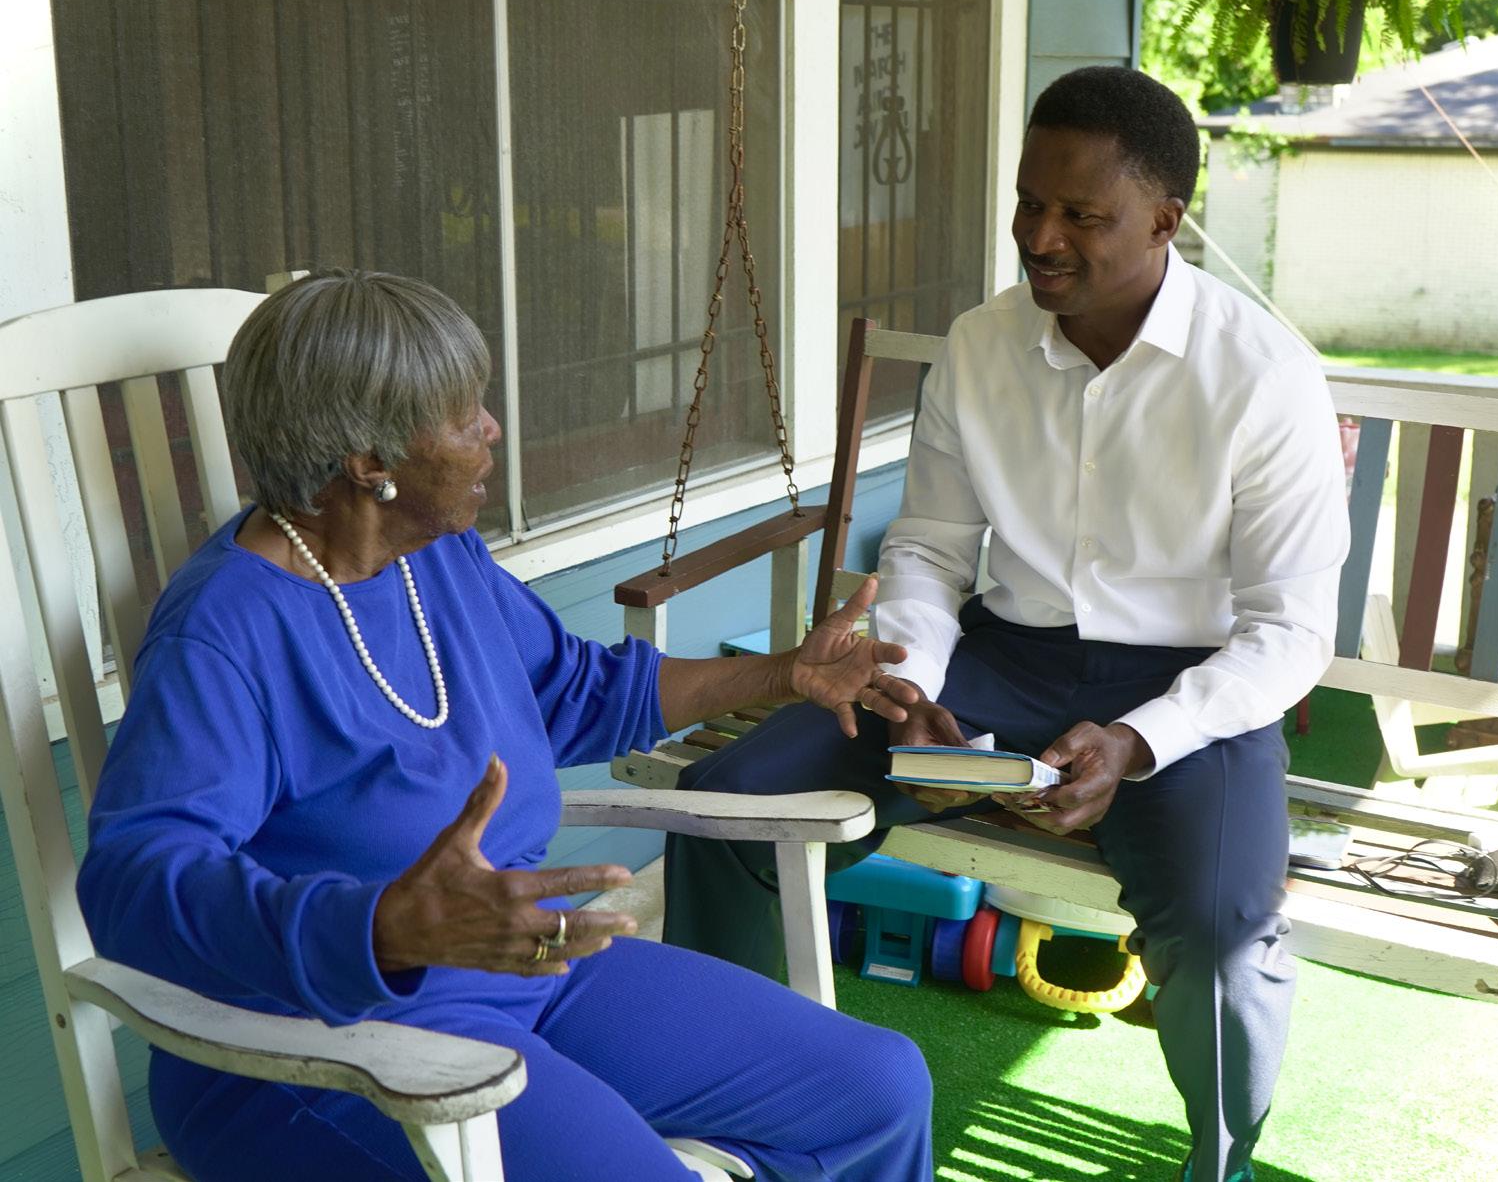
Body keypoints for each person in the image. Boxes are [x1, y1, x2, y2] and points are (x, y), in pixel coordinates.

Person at [76, 269, 934, 1182]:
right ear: (368, 462)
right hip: (322, 1045)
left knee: (876, 1089)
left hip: (524, 963)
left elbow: (571, 692)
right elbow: (136, 881)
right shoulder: (224, 635)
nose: (490, 429)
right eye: (462, 415)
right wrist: (379, 927)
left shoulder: (434, 557)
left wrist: (780, 675)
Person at [663, 65, 1350, 1182]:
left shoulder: (1264, 377)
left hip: (1193, 689)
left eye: (1082, 214)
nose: (1040, 237)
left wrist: (1138, 741)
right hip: (1001, 661)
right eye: (1030, 203)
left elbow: (1290, 631)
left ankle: (1217, 1164)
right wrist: (913, 684)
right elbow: (932, 550)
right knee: (729, 808)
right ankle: (732, 1110)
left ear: (1165, 221)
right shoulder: (981, 346)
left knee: (1224, 933)